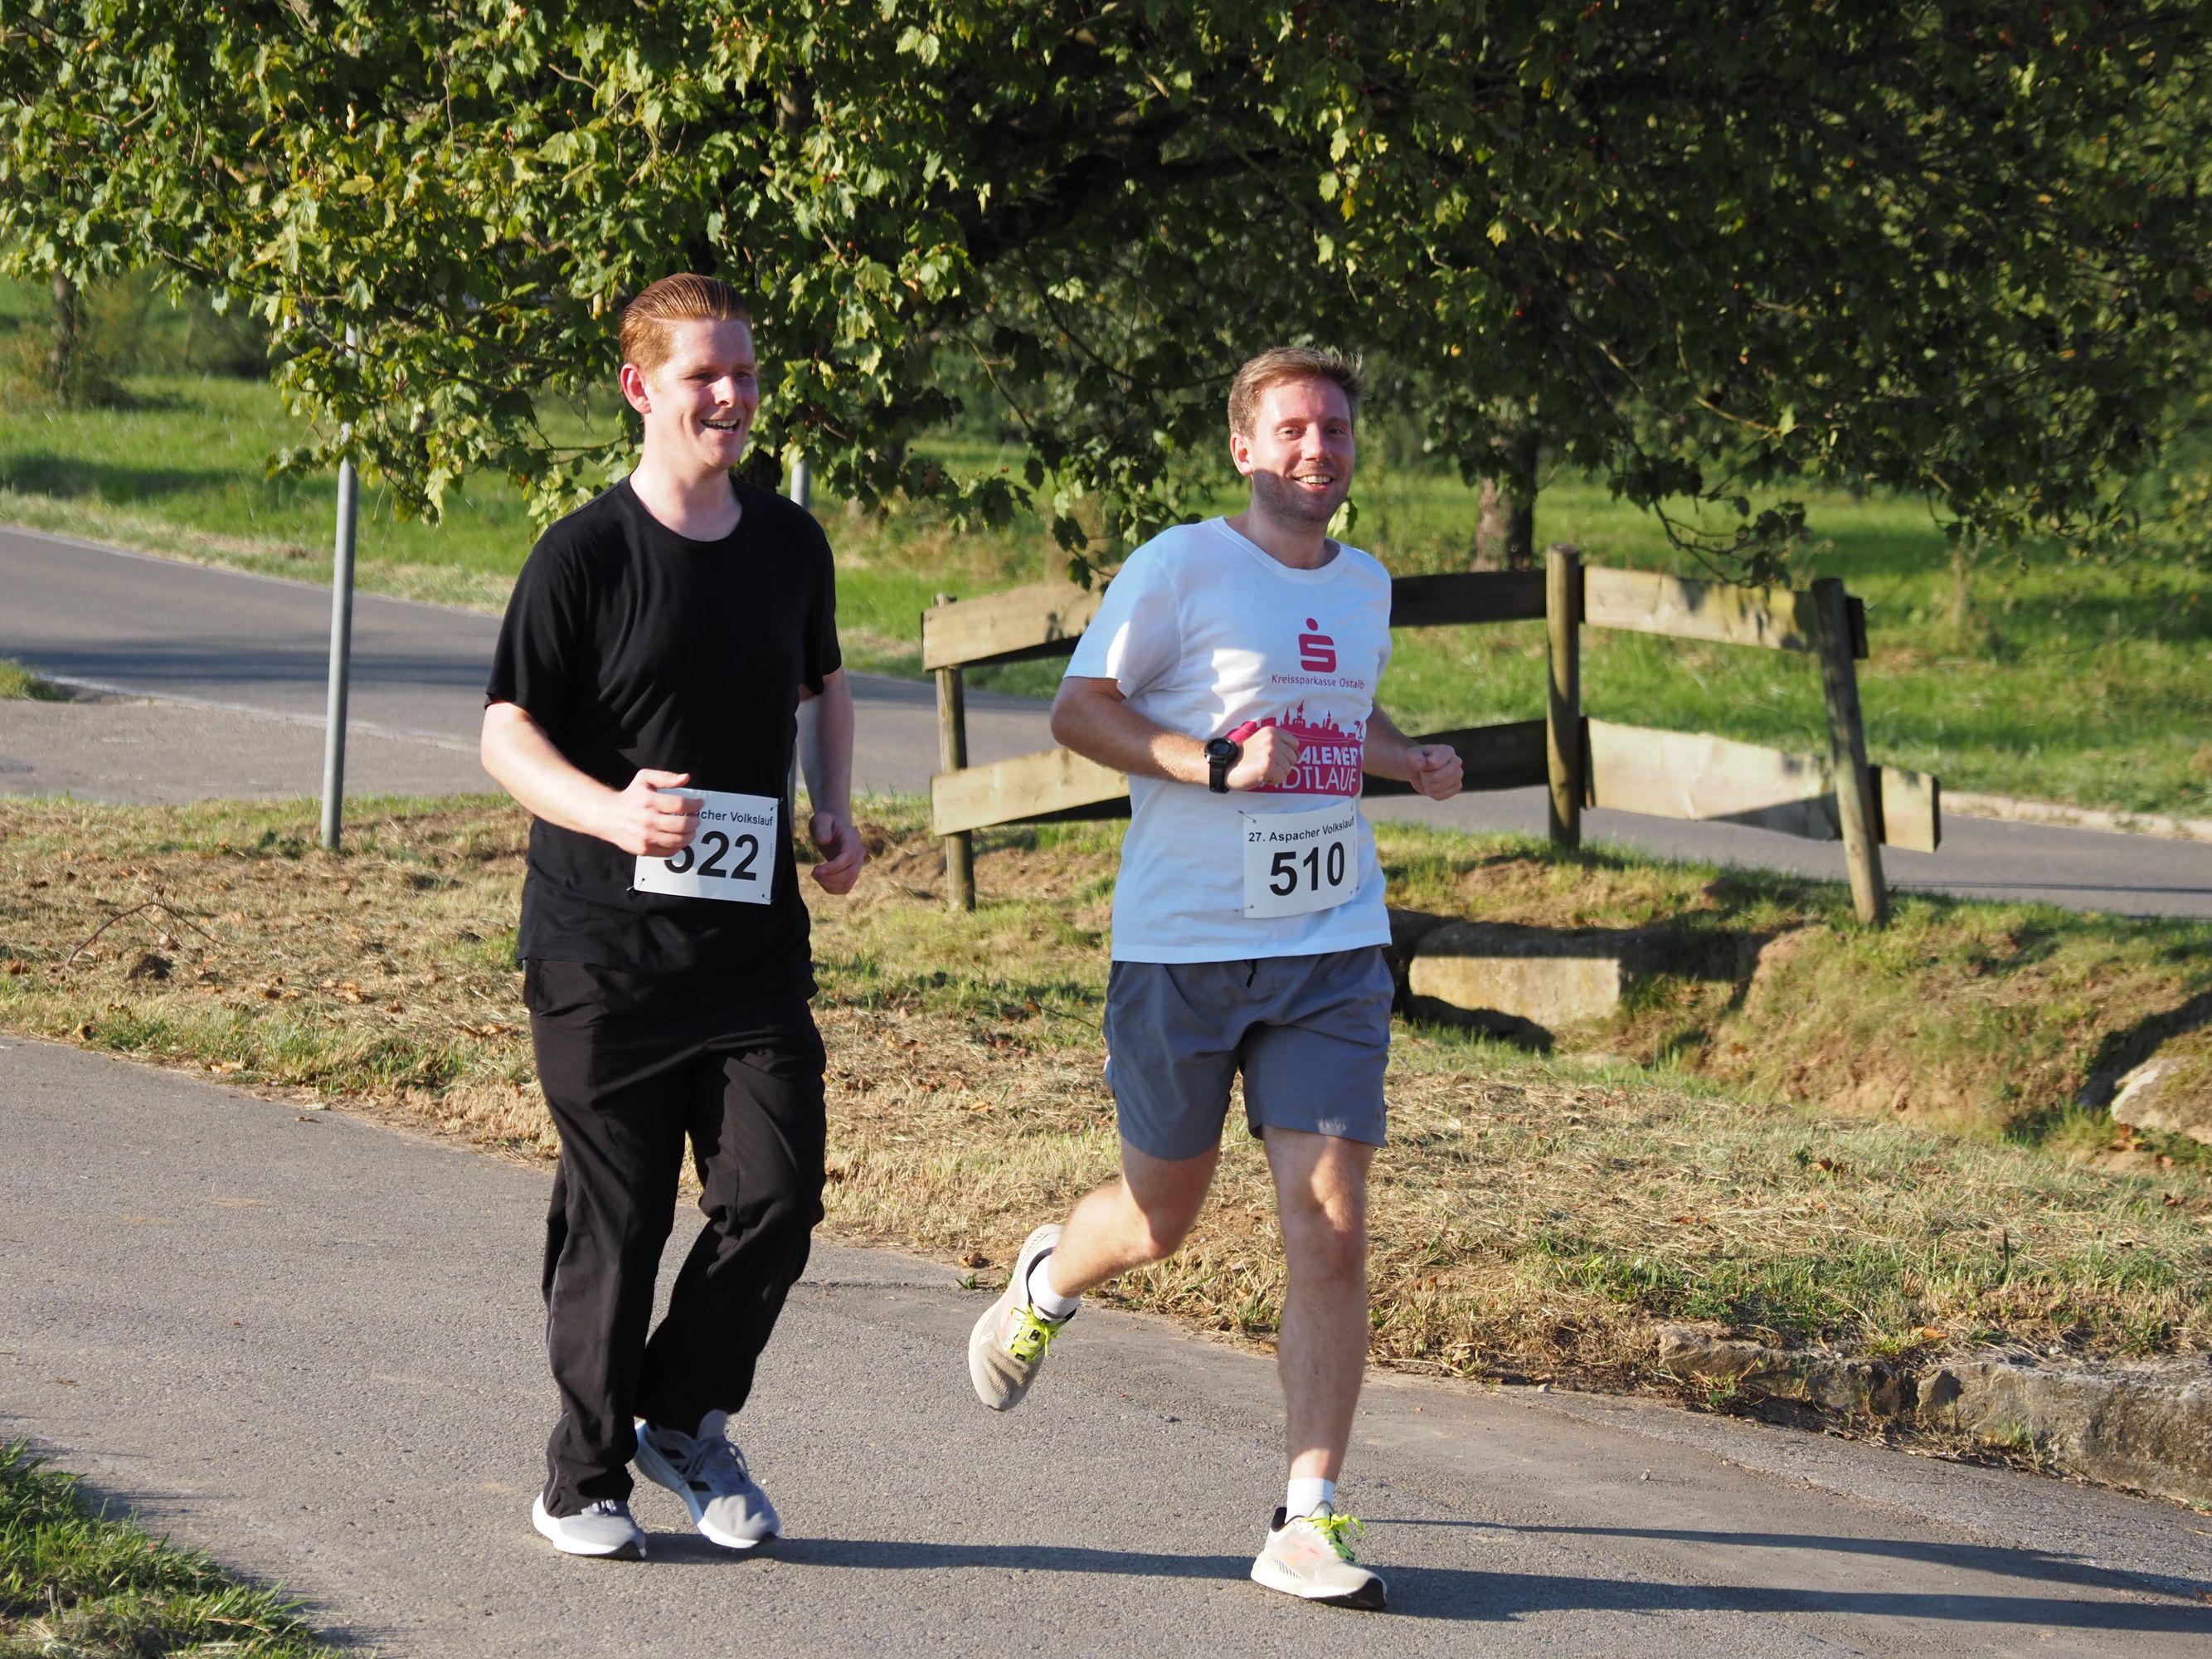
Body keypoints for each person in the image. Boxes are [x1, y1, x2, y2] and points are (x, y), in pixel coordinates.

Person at [966, 347, 1462, 1610]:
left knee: (1330, 1221)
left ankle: (1308, 1515)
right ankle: (1049, 1279)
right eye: (1291, 429)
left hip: (1329, 945)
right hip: (1182, 947)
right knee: (1159, 1221)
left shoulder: (1365, 584)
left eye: (1335, 428)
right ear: (1244, 449)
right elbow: (1080, 709)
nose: (1317, 448)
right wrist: (1207, 761)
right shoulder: (1180, 565)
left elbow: (1340, 717)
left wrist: (1407, 759)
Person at [480, 273, 863, 1561]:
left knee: (778, 1195)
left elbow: (824, 684)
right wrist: (609, 811)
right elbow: (504, 733)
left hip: (748, 949)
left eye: (745, 373)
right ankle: (581, 1480)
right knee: (623, 1215)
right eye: (707, 375)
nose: (733, 397)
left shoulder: (788, 543)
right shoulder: (583, 554)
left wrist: (834, 806)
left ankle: (684, 1419)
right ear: (641, 387)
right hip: (602, 949)